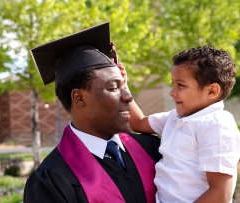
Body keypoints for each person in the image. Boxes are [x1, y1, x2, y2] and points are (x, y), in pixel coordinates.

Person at [23, 22, 162, 203]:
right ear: (79, 98)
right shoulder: (52, 181)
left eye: (124, 86)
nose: (128, 97)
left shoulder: (151, 148)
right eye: (113, 88)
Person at [127, 45, 240, 203]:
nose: (172, 92)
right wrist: (122, 84)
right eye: (173, 83)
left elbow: (220, 194)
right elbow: (138, 123)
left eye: (181, 85)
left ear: (212, 91)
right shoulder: (174, 117)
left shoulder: (217, 126)